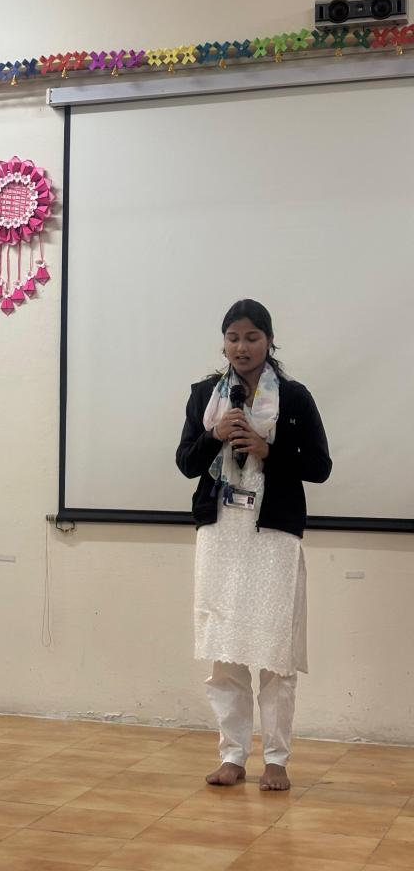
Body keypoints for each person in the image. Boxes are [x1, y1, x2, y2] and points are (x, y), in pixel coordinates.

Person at [176, 300, 331, 791]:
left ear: (269, 341)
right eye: (233, 338)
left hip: (273, 534)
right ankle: (232, 756)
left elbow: (320, 467)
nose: (241, 347)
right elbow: (185, 462)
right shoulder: (205, 395)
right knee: (225, 653)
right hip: (221, 532)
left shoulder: (295, 397)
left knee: (275, 654)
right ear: (223, 342)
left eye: (252, 337)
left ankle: (277, 760)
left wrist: (269, 449)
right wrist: (214, 435)